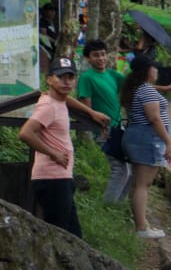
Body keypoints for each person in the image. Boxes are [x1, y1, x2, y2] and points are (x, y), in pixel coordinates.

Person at [19, 57, 85, 237]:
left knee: (74, 237)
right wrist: (53, 153)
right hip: (52, 178)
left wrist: (91, 113)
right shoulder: (49, 106)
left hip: (61, 177)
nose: (66, 81)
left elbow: (67, 100)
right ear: (49, 79)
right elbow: (26, 133)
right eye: (61, 77)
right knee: (59, 236)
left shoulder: (56, 100)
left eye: (70, 77)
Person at [120, 55, 171, 238]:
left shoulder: (135, 88)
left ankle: (141, 222)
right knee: (144, 183)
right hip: (148, 139)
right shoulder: (146, 91)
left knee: (138, 183)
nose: (157, 70)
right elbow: (154, 118)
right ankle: (141, 228)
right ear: (147, 71)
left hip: (137, 136)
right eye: (154, 67)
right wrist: (168, 141)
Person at [76, 39, 131, 203]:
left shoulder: (112, 74)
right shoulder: (86, 78)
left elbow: (134, 86)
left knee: (129, 169)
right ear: (88, 58)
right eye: (95, 55)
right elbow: (87, 109)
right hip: (104, 131)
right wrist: (99, 128)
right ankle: (109, 205)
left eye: (103, 54)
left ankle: (118, 204)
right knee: (119, 169)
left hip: (118, 127)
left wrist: (164, 89)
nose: (100, 58)